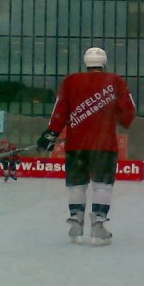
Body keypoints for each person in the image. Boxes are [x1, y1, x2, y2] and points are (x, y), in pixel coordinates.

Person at [37, 46, 136, 245]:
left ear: (86, 63)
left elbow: (60, 110)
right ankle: (98, 226)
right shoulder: (115, 81)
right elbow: (129, 111)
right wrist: (117, 117)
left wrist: (51, 133)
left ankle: (76, 223)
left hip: (76, 145)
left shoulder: (71, 81)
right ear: (104, 63)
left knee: (77, 184)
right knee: (102, 185)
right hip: (104, 145)